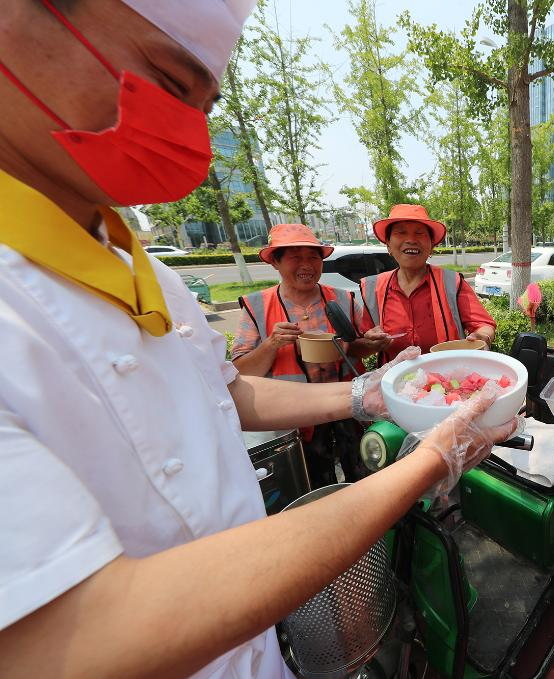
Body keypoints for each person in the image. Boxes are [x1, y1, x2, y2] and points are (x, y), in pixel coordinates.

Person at [0, 2, 515, 677]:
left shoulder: (152, 275)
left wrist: (363, 392)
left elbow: (229, 393)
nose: (186, 129)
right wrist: (427, 460)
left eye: (205, 106)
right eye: (169, 81)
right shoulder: (308, 296)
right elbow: (72, 634)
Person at [233, 222, 387, 485]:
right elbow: (240, 373)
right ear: (275, 262)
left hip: (347, 408)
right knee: (313, 480)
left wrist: (371, 343)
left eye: (313, 257)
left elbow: (356, 347)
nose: (307, 265)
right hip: (296, 416)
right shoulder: (257, 306)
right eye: (295, 257)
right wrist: (271, 344)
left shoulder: (343, 299)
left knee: (363, 474)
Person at [358, 204, 496, 361]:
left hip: (446, 374)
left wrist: (482, 336)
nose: (411, 240)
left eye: (419, 233)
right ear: (388, 245)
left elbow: (483, 326)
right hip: (393, 376)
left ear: (431, 246)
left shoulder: (452, 282)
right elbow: (360, 346)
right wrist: (370, 343)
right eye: (401, 233)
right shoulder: (373, 288)